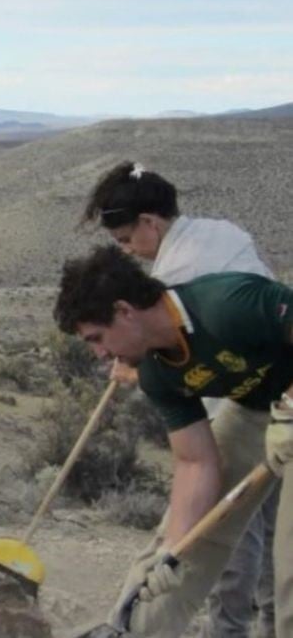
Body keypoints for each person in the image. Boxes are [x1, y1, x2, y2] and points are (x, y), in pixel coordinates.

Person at [54, 245, 293, 638]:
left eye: (97, 338)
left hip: (286, 403)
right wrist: (175, 548)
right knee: (178, 555)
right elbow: (196, 462)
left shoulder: (227, 303)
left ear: (125, 311)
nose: (100, 354)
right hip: (253, 411)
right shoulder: (155, 371)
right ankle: (132, 632)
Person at [83, 162, 277, 637]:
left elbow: (164, 342)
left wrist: (135, 362)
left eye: (128, 240)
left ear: (151, 222)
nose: (129, 252)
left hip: (243, 406)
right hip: (262, 402)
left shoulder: (177, 277)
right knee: (274, 534)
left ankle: (228, 630)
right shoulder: (220, 231)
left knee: (224, 533)